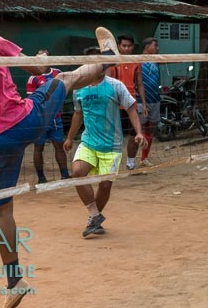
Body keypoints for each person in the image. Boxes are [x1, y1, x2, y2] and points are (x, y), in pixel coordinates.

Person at [0, 4, 118, 307]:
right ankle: (110, 58)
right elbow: (38, 71)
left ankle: (14, 281)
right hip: (24, 120)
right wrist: (43, 61)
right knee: (62, 80)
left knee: (2, 212)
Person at [64, 47, 146, 238]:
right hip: (88, 142)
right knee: (77, 173)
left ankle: (94, 220)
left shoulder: (115, 86)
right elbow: (78, 114)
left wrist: (139, 132)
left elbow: (132, 108)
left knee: (105, 185)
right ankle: (94, 215)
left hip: (112, 145)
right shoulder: (79, 89)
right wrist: (69, 137)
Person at [25, 49, 70, 183]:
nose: (40, 62)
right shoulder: (33, 78)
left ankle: (65, 175)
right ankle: (41, 178)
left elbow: (64, 90)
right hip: (40, 120)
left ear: (50, 60)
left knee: (59, 145)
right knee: (39, 148)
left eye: (43, 59)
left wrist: (58, 106)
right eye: (37, 59)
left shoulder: (58, 73)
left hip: (56, 119)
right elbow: (30, 100)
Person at [107, 34, 146, 170]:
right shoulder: (112, 62)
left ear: (133, 47)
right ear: (119, 46)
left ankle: (130, 162)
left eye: (129, 46)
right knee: (114, 136)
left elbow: (140, 84)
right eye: (124, 45)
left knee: (135, 134)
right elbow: (107, 81)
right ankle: (111, 164)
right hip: (115, 103)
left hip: (131, 103)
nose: (127, 48)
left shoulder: (136, 62)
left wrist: (144, 104)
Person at [138, 37, 161, 167]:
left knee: (150, 129)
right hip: (141, 100)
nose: (157, 48)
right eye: (155, 46)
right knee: (137, 130)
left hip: (155, 99)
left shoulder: (157, 60)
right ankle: (130, 161)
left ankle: (144, 158)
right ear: (147, 47)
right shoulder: (138, 60)